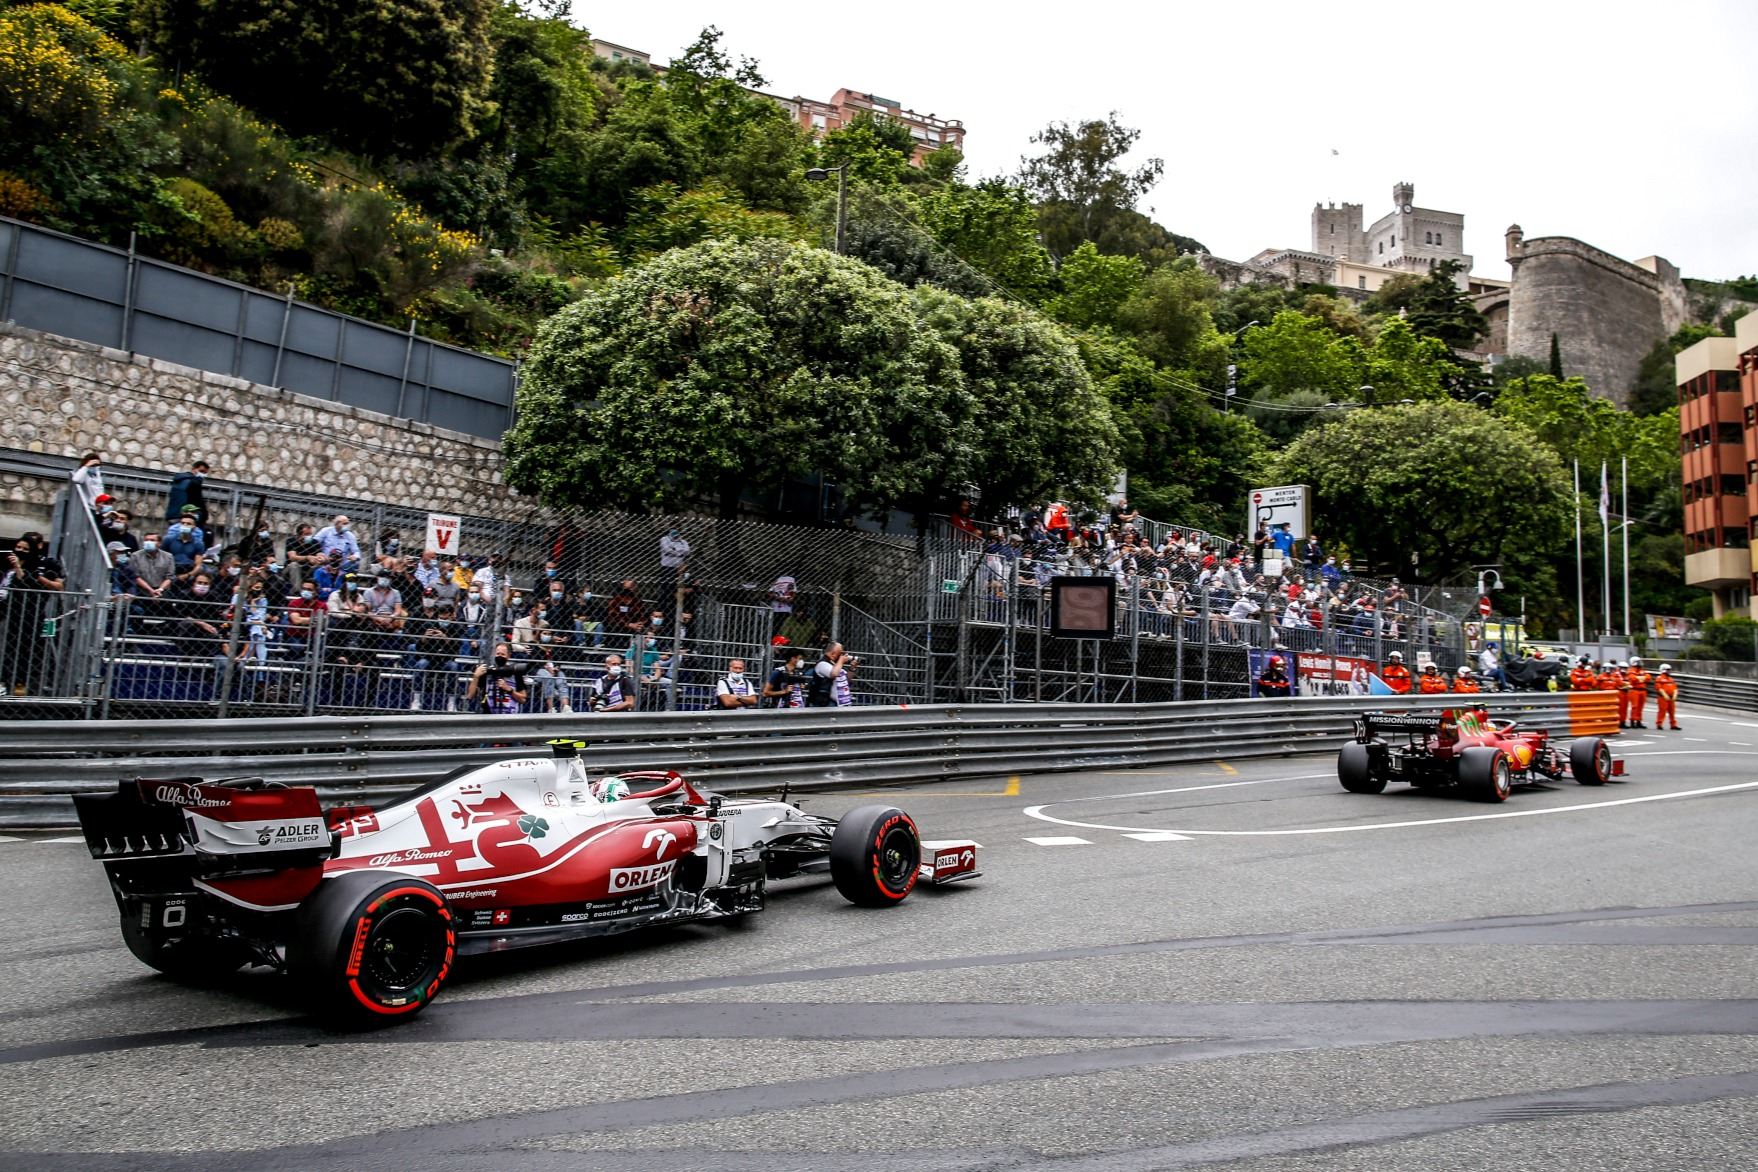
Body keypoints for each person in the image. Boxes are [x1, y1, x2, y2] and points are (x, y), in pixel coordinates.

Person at [466, 643, 527, 714]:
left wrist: (509, 689)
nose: (500, 656)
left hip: (510, 715)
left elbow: (522, 699)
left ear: (508, 656)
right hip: (489, 714)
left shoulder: (515, 673)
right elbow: (470, 695)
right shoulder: (487, 672)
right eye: (498, 654)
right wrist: (476, 676)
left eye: (503, 654)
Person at [807, 642, 857, 707]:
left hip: (839, 702)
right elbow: (833, 674)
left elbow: (847, 679)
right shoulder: (822, 664)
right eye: (840, 654)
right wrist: (841, 661)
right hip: (824, 703)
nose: (842, 656)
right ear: (833, 654)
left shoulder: (837, 665)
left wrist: (852, 669)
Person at [763, 644, 810, 709]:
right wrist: (784, 691)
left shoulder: (799, 673)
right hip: (782, 708)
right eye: (800, 659)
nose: (802, 661)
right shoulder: (778, 672)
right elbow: (765, 693)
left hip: (798, 708)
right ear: (793, 659)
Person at [1623, 656, 1651, 729]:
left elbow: (1648, 678)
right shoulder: (1630, 671)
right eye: (1638, 662)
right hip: (1635, 690)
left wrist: (1640, 678)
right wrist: (1642, 678)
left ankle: (1638, 721)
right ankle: (1633, 721)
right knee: (1635, 706)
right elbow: (1633, 679)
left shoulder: (1642, 671)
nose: (1640, 663)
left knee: (1640, 707)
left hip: (1643, 690)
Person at [1654, 664, 1680, 730]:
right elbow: (1658, 688)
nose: (1669, 672)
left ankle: (1673, 725)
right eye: (1668, 670)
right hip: (1663, 698)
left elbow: (1675, 688)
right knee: (1662, 711)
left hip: (1671, 698)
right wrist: (1664, 695)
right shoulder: (1659, 678)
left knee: (1672, 712)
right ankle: (1659, 724)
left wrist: (1675, 695)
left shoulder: (1671, 679)